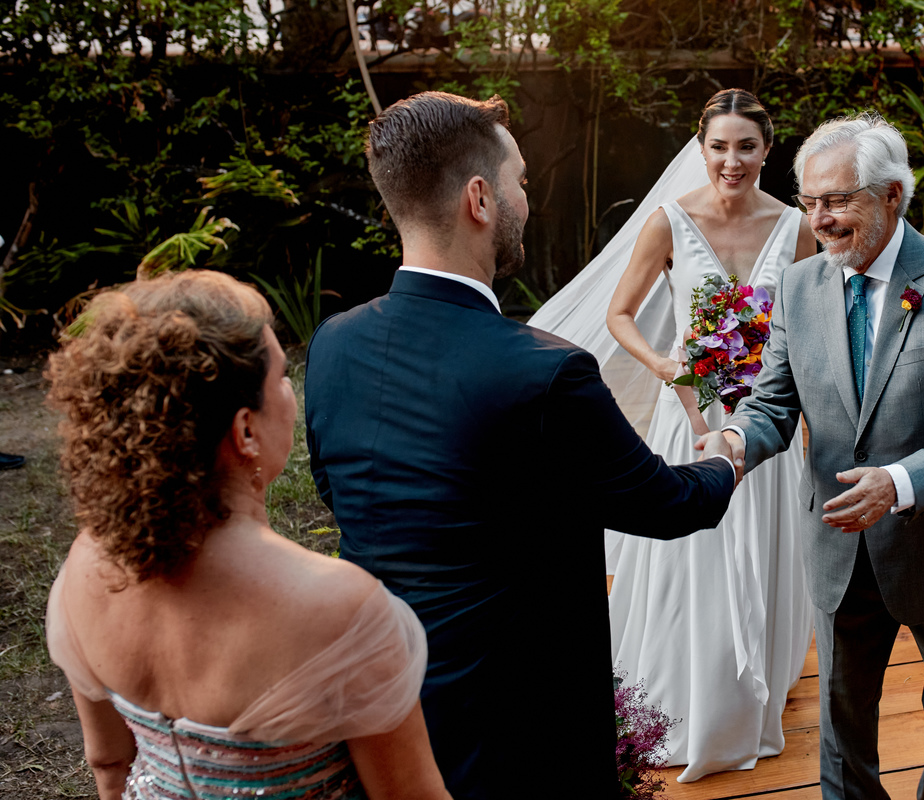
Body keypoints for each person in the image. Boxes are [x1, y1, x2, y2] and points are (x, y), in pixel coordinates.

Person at [304, 91, 738, 800]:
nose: (526, 200)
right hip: (521, 730)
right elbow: (666, 504)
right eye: (522, 183)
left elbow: (338, 490)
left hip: (380, 708)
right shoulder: (546, 372)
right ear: (481, 198)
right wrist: (726, 451)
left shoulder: (333, 344)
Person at [703, 111, 924, 799]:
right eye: (811, 201)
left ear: (892, 196)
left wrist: (901, 482)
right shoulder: (797, 286)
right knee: (843, 735)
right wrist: (733, 443)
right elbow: (773, 404)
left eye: (838, 199)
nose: (821, 217)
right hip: (841, 544)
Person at [44, 271, 449, 800]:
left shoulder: (86, 566)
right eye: (282, 375)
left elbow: (108, 764)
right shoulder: (340, 608)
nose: (292, 390)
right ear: (245, 430)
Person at [530, 88, 818, 782]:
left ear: (767, 151)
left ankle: (758, 685)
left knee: (760, 549)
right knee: (699, 552)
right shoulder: (668, 221)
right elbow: (621, 313)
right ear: (701, 147)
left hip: (767, 426)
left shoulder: (794, 228)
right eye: (718, 146)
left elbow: (807, 326)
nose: (731, 160)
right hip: (690, 418)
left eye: (746, 146)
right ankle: (694, 694)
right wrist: (667, 365)